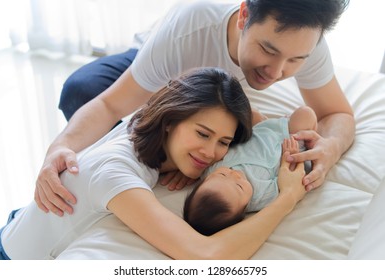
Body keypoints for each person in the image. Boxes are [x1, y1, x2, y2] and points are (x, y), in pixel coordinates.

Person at [35, 0, 355, 217]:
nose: (276, 72)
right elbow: (109, 104)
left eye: (295, 60)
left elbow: (337, 114)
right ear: (243, 16)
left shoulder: (306, 42)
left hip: (210, 96)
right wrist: (60, 147)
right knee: (82, 90)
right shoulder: (189, 31)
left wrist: (331, 147)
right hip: (160, 65)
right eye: (267, 50)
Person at [0, 68, 306, 260]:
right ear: (172, 120)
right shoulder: (115, 172)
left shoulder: (148, 125)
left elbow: (254, 120)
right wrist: (288, 198)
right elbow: (204, 255)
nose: (211, 152)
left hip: (22, 221)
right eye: (202, 134)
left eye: (223, 142)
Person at [183, 106, 317, 235]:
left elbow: (201, 164)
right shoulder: (261, 196)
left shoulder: (209, 172)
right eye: (239, 186)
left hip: (256, 132)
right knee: (306, 114)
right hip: (286, 140)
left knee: (250, 112)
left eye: (222, 174)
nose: (234, 175)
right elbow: (289, 180)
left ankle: (266, 121)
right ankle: (294, 128)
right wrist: (289, 158)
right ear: (243, 210)